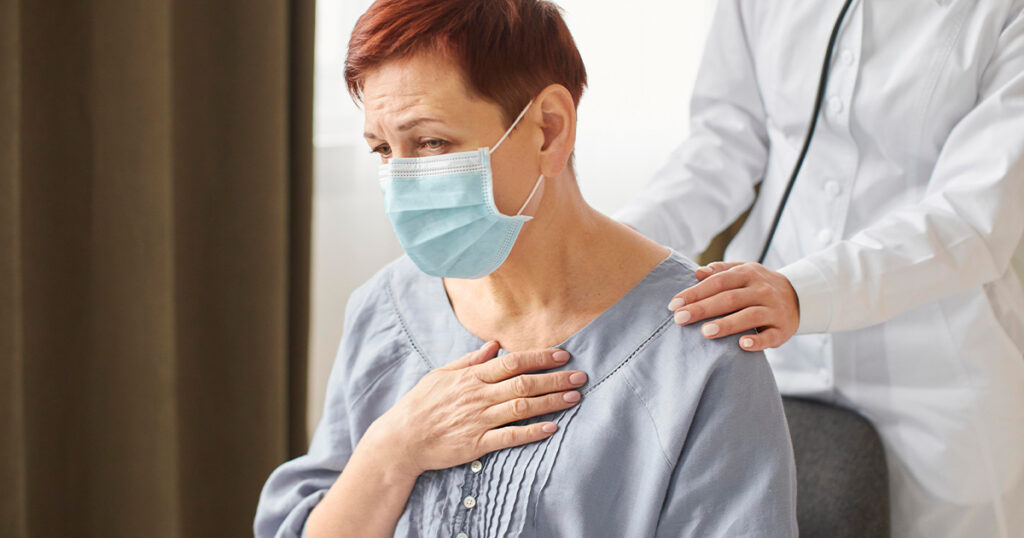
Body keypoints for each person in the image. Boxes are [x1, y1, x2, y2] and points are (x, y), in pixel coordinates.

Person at [255, 0, 797, 536]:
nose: (402, 181)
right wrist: (391, 450)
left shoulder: (702, 350)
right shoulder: (384, 310)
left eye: (432, 142)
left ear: (549, 129)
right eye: (382, 150)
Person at [614, 0, 1024, 536]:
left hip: (939, 369)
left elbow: (973, 217)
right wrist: (607, 250)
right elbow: (724, 142)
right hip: (772, 350)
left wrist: (803, 292)